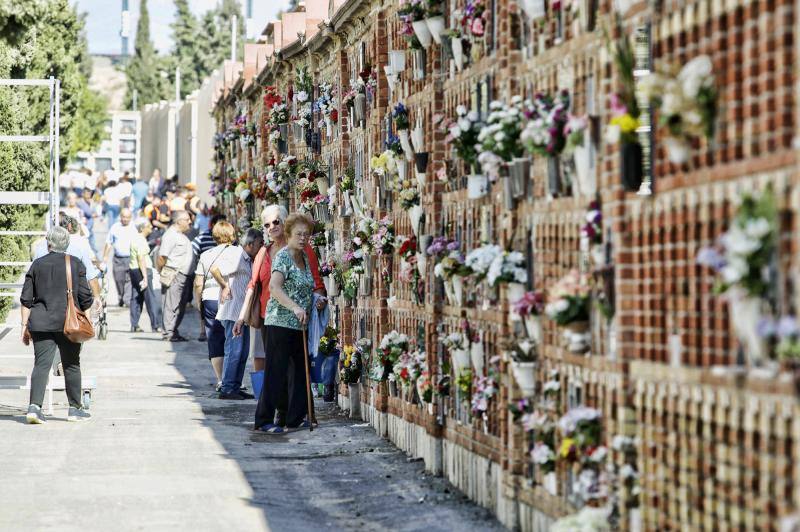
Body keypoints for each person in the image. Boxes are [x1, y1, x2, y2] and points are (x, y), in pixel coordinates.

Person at [235, 205, 326, 375]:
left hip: (296, 319)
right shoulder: (263, 252)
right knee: (273, 368)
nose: (272, 227)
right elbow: (253, 285)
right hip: (269, 319)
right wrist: (241, 318)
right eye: (267, 225)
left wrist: (319, 300)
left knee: (293, 370)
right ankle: (275, 400)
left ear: (285, 223)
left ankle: (292, 401)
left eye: (276, 222)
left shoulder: (303, 249)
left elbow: (316, 281)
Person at [20, 226, 94, 424]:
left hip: (40, 323)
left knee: (41, 365)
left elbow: (26, 299)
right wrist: (87, 319)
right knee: (71, 364)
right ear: (67, 244)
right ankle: (75, 409)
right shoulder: (75, 264)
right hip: (68, 323)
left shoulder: (37, 265)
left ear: (48, 243)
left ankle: (34, 408)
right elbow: (86, 298)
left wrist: (23, 326)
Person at [253, 213, 318, 434]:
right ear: (289, 234)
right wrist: (295, 307)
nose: (303, 238)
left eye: (306, 234)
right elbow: (274, 288)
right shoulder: (282, 257)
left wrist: (316, 300)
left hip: (300, 325)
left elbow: (305, 287)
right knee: (276, 372)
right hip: (279, 323)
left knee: (301, 372)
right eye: (299, 234)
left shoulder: (305, 258)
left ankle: (295, 418)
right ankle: (264, 420)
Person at [210, 228, 263, 400]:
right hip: (232, 311)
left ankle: (235, 385)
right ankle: (227, 388)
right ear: (249, 244)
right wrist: (224, 286)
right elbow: (215, 269)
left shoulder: (248, 258)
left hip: (242, 313)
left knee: (242, 351)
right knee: (234, 350)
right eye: (259, 243)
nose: (261, 246)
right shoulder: (237, 256)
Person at [194, 221, 235, 391]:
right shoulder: (237, 253)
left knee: (215, 339)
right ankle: (232, 378)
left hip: (210, 298)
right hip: (232, 298)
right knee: (233, 339)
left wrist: (198, 302)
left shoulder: (206, 254)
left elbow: (198, 282)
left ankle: (221, 379)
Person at [157, 210, 194, 342]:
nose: (190, 222)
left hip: (184, 275)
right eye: (187, 219)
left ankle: (173, 331)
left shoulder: (180, 235)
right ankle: (168, 333)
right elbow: (162, 257)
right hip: (174, 274)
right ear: (179, 221)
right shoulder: (170, 235)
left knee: (180, 305)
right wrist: (163, 271)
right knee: (171, 305)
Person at [191, 213, 227, 341]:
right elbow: (192, 251)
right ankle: (203, 330)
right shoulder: (202, 237)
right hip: (206, 278)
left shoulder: (230, 240)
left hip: (224, 279)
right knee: (203, 303)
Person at [129, 217, 162, 333]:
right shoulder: (140, 240)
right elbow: (141, 258)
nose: (151, 228)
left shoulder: (135, 239)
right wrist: (145, 278)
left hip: (133, 270)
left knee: (136, 297)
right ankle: (156, 325)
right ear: (142, 228)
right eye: (148, 226)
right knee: (150, 298)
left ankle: (134, 324)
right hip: (142, 270)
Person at [102, 207, 137, 307]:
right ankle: (121, 297)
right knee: (119, 280)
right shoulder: (115, 227)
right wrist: (105, 257)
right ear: (120, 217)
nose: (125, 219)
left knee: (130, 280)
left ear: (130, 218)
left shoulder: (134, 227)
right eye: (123, 217)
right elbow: (109, 243)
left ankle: (127, 299)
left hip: (131, 258)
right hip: (118, 259)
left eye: (127, 217)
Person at [77, 188, 99, 252]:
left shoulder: (89, 202)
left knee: (93, 246)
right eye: (87, 194)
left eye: (90, 194)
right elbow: (89, 213)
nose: (89, 196)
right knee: (87, 246)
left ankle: (96, 258)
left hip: (89, 228)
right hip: (84, 229)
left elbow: (96, 213)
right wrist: (93, 213)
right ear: (83, 194)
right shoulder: (81, 203)